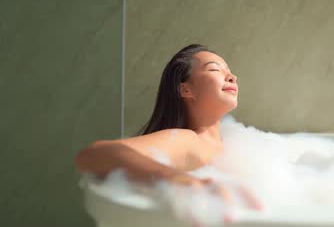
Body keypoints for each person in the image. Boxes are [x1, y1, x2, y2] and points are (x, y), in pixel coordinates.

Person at [75, 44, 262, 214]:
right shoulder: (189, 140)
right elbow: (94, 154)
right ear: (186, 90)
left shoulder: (234, 141)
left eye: (229, 71)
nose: (232, 76)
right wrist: (173, 179)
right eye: (215, 69)